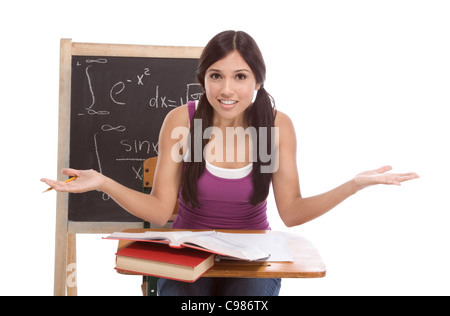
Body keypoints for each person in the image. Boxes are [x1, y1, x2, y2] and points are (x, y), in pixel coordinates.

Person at [41, 30, 418, 296]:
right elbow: (158, 212)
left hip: (253, 261)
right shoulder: (182, 122)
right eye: (216, 76)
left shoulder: (274, 125)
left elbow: (292, 212)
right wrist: (102, 181)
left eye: (240, 77)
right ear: (203, 78)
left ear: (257, 81)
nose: (226, 89)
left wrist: (353, 184)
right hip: (188, 259)